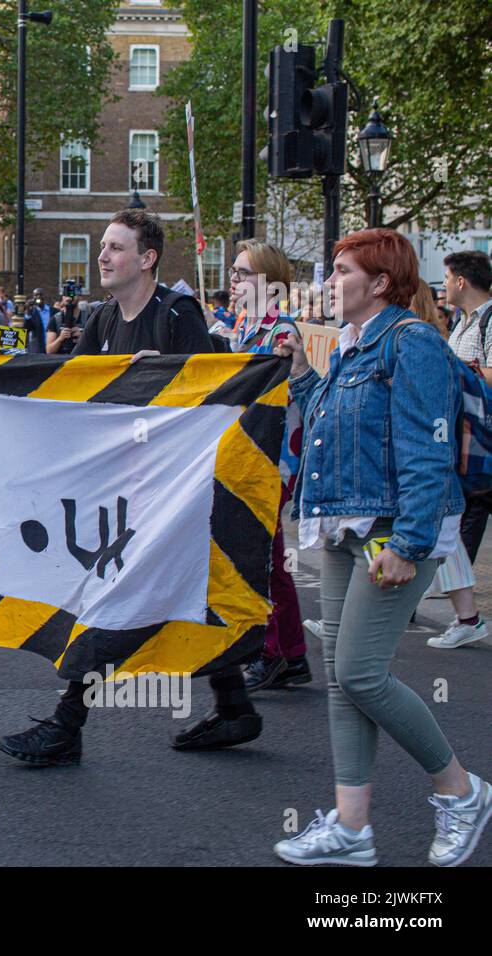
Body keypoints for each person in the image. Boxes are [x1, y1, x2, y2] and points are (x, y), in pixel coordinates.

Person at [0, 209, 254, 764]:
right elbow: (75, 387)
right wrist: (9, 368)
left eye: (115, 247)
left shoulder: (178, 314)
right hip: (124, 487)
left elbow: (213, 394)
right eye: (103, 246)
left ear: (147, 258)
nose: (102, 256)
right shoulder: (104, 318)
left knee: (118, 599)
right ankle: (234, 705)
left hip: (175, 491)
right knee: (171, 594)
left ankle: (66, 724)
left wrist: (172, 375)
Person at [272, 228, 490, 867]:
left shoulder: (412, 342)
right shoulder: (350, 344)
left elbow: (428, 447)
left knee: (361, 673)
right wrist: (305, 378)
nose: (330, 282)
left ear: (380, 283)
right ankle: (351, 827)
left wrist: (411, 540)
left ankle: (461, 790)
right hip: (345, 523)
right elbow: (339, 431)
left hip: (394, 529)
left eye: (342, 271)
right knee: (344, 679)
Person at [219, 241, 311, 693]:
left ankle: (275, 652)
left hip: (272, 461)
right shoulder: (244, 325)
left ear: (270, 283)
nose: (233, 281)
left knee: (263, 557)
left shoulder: (280, 331)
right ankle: (291, 654)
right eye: (233, 273)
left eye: (242, 273)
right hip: (249, 455)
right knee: (268, 558)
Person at [424, 250, 492, 650]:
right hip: (468, 445)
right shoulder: (463, 323)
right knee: (450, 522)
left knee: (445, 519)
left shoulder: (489, 322)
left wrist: (457, 368)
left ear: (462, 281)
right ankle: (464, 616)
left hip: (484, 443)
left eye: (447, 278)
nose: (444, 285)